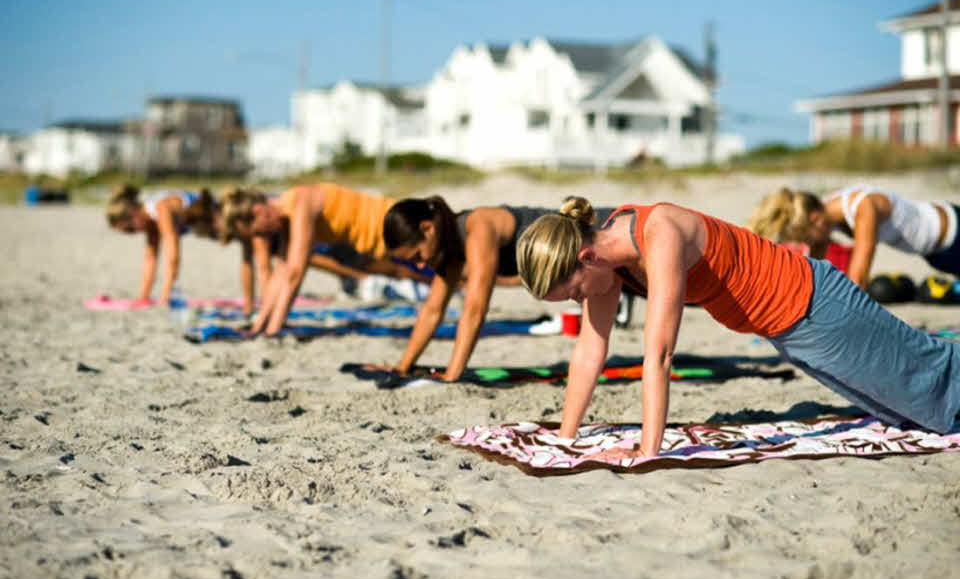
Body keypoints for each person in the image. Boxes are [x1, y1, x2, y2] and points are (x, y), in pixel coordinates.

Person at [516, 197, 960, 458]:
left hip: (816, 307)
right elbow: (590, 349)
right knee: (912, 413)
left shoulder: (659, 234)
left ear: (585, 258)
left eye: (573, 293)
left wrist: (646, 452)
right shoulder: (607, 261)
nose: (581, 300)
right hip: (785, 329)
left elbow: (660, 354)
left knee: (937, 386)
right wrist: (565, 435)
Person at [381, 197, 619, 381]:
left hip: (604, 236)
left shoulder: (479, 226)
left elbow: (475, 309)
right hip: (594, 269)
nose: (421, 265)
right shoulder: (450, 250)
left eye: (418, 256)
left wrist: (452, 375)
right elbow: (432, 311)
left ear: (427, 228)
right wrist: (403, 367)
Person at [218, 184, 428, 334]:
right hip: (384, 245)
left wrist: (274, 328)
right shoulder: (287, 217)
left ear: (258, 211)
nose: (262, 236)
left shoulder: (301, 201)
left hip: (398, 228)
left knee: (456, 273)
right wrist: (260, 324)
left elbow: (295, 272)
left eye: (257, 231)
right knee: (448, 278)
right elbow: (281, 270)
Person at [747, 186, 959, 288]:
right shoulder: (824, 213)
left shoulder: (863, 208)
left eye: (806, 237)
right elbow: (813, 269)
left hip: (954, 234)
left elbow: (858, 280)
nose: (807, 243)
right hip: (935, 254)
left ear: (815, 220)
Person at [106, 184, 218, 305]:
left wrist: (167, 295)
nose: (133, 234)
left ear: (134, 213)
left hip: (220, 215)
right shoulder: (150, 219)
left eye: (130, 230)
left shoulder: (161, 209)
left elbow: (172, 257)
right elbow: (150, 258)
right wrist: (143, 297)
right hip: (209, 226)